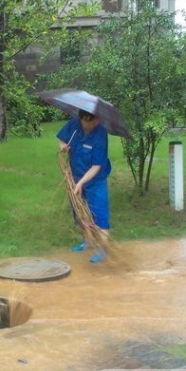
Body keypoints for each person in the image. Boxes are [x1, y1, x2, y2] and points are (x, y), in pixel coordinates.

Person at [56, 109, 111, 263]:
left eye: (95, 120)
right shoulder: (73, 125)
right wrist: (63, 146)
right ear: (81, 119)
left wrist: (80, 183)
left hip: (95, 181)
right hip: (75, 176)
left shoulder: (100, 134)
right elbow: (60, 138)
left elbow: (96, 166)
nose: (92, 124)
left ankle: (103, 250)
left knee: (100, 215)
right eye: (88, 121)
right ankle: (87, 241)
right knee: (80, 212)